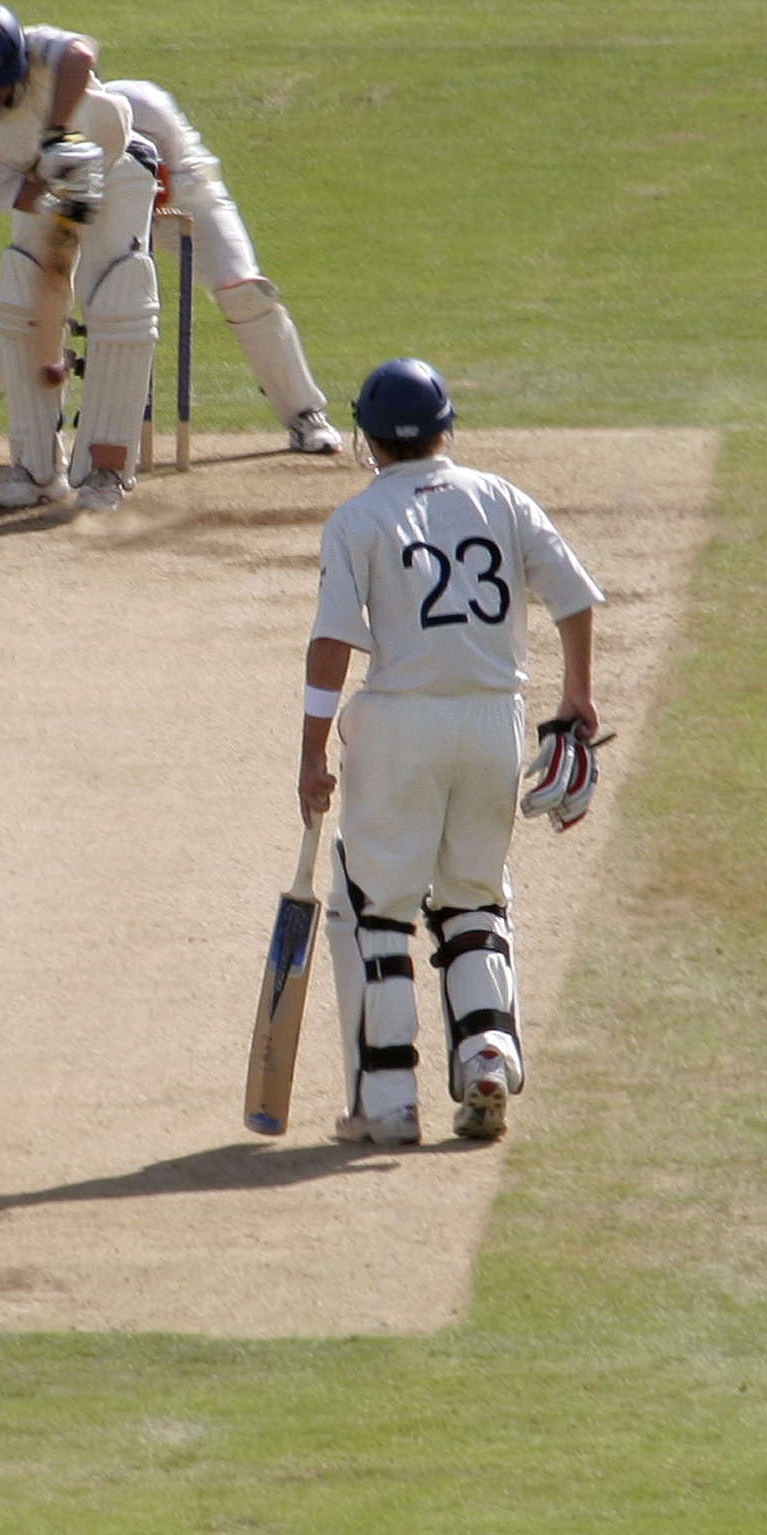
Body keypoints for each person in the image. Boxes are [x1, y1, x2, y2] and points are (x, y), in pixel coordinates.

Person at [298, 360, 603, 1147]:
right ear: (447, 427)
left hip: (400, 724)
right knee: (474, 897)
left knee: (377, 907)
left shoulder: (358, 518)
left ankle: (388, 1102)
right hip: (494, 721)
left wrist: (310, 753)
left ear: (368, 439)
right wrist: (577, 693)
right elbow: (572, 593)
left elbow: (332, 642)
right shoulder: (500, 496)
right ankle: (489, 1054)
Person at [0, 45, 340, 467]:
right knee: (23, 304)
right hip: (94, 211)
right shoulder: (61, 120)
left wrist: (124, 198)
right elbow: (34, 193)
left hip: (189, 200)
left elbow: (175, 182)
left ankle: (305, 414)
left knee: (245, 292)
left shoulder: (148, 105)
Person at [0, 5, 162, 514]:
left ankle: (106, 471)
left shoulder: (38, 47)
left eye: (0, 81)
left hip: (117, 169)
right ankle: (34, 471)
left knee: (119, 305)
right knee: (20, 302)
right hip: (43, 190)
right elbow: (13, 193)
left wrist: (59, 136)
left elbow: (81, 53)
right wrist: (57, 188)